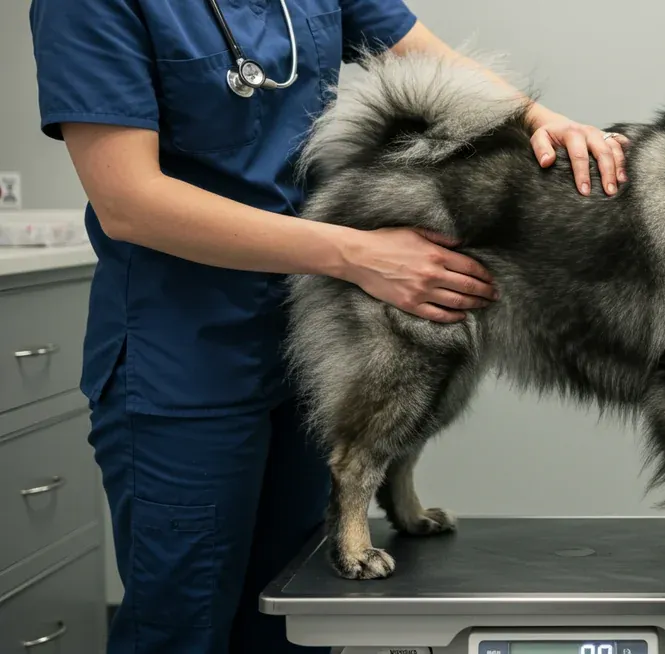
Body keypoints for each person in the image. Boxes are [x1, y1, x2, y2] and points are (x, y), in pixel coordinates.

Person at [28, 0, 628, 652]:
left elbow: (425, 57)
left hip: (313, 340)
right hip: (184, 351)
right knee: (185, 621)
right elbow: (129, 202)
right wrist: (359, 253)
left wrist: (541, 119)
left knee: (294, 613)